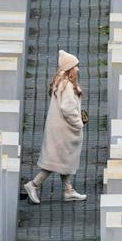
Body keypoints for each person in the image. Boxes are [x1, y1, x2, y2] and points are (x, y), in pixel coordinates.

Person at [26, 49, 87, 203]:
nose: (78, 69)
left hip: (59, 129)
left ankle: (68, 190)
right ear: (70, 68)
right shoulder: (67, 86)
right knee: (56, 160)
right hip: (64, 130)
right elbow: (68, 108)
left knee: (63, 159)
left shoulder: (60, 82)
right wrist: (78, 123)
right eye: (75, 66)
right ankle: (34, 184)